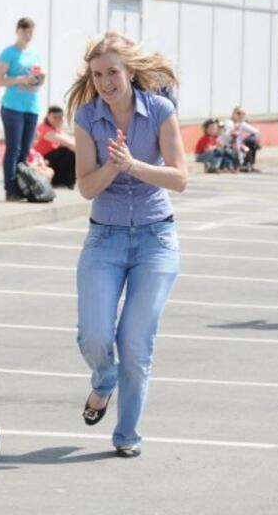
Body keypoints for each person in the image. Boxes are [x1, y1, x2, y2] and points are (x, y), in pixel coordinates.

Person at [66, 32, 187, 458]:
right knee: (96, 337)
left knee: (135, 343)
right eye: (97, 75)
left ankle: (127, 434)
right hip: (105, 239)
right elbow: (85, 187)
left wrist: (133, 165)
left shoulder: (158, 110)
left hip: (156, 239)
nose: (105, 82)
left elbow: (180, 177)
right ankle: (103, 380)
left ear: (130, 71)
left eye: (113, 72)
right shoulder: (87, 118)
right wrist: (113, 170)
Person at [0, 17, 45, 201]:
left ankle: (23, 185)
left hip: (31, 106)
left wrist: (37, 79)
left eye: (31, 31)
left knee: (24, 150)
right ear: (18, 31)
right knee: (13, 148)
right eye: (25, 31)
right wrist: (19, 80)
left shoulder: (34, 53)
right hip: (12, 106)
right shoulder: (9, 53)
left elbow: (38, 75)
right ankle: (10, 189)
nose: (28, 35)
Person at [33, 105, 76, 188]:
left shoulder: (56, 129)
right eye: (54, 117)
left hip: (49, 160)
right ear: (48, 117)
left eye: (60, 117)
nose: (57, 120)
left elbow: (73, 141)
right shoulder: (44, 128)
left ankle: (66, 181)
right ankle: (63, 181)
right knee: (67, 152)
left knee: (68, 150)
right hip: (40, 161)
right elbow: (70, 143)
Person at [220, 106, 261, 172]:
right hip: (227, 145)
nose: (241, 115)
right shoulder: (228, 122)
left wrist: (257, 138)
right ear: (233, 113)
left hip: (237, 145)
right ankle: (239, 165)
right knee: (238, 145)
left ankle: (249, 165)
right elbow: (228, 134)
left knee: (252, 142)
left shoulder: (241, 123)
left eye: (243, 114)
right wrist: (233, 130)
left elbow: (256, 131)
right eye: (238, 113)